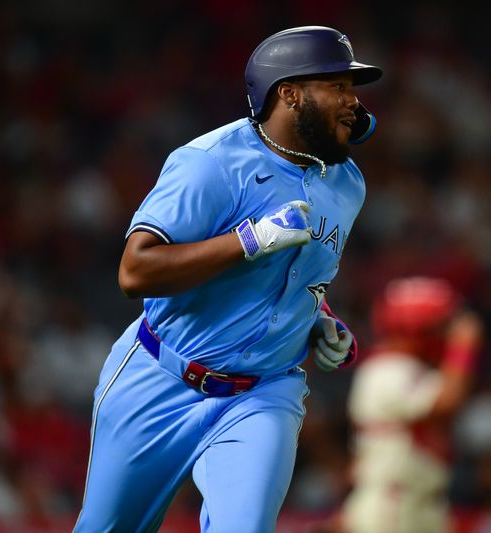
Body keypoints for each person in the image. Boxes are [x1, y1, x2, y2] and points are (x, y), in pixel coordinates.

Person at [73, 26, 382, 533]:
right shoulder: (210, 164)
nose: (354, 102)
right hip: (162, 377)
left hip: (264, 392)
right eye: (339, 87)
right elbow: (135, 271)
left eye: (353, 89)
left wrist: (320, 321)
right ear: (290, 93)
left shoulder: (347, 184)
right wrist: (246, 241)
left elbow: (302, 278)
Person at [341, 277, 483, 533]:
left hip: (417, 503)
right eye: (440, 327)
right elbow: (446, 402)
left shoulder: (401, 367)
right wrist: (464, 348)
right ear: (416, 329)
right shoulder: (386, 369)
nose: (446, 334)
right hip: (393, 506)